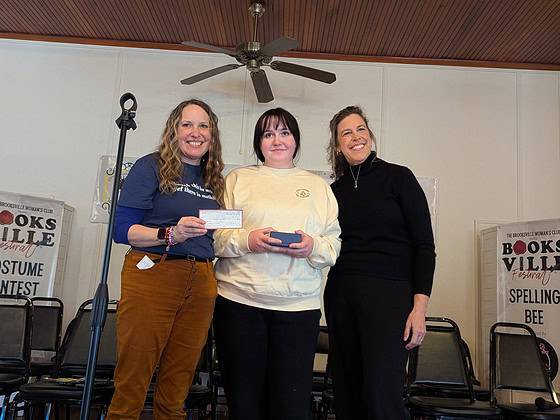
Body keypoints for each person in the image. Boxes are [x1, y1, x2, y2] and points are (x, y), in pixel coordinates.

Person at [212, 108, 341, 420]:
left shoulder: (318, 187)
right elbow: (216, 235)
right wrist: (248, 240)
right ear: (259, 142)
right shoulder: (237, 180)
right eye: (268, 134)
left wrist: (312, 246)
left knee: (291, 404)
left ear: (295, 140)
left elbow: (333, 246)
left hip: (298, 309)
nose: (277, 140)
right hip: (238, 302)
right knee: (243, 402)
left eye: (284, 132)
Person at [107, 99, 224, 420]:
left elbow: (219, 234)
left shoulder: (214, 179)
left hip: (201, 280)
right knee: (133, 378)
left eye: (204, 126)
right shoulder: (151, 166)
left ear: (212, 135)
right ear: (174, 130)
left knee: (179, 381)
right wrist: (169, 234)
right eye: (187, 124)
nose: (195, 132)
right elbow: (121, 230)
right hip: (153, 272)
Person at [325, 105, 436, 419]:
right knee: (346, 392)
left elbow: (425, 247)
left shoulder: (399, 178)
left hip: (390, 296)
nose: (355, 137)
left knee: (381, 393)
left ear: (370, 135)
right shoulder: (332, 192)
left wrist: (419, 309)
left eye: (361, 129)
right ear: (337, 144)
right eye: (346, 132)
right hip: (341, 295)